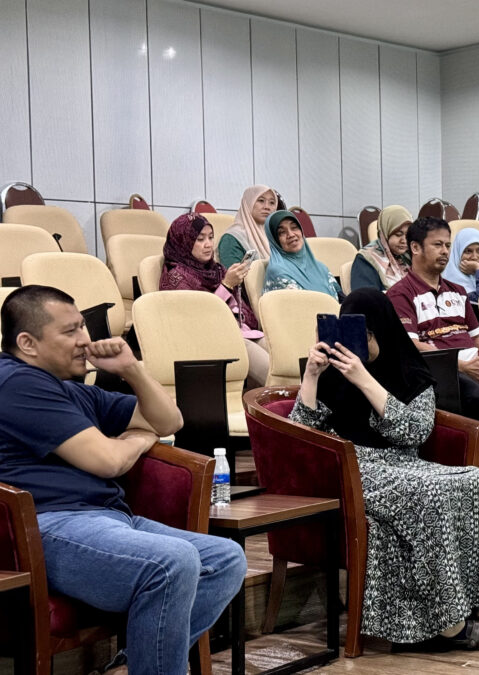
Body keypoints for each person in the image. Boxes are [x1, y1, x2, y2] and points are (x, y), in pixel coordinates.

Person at [0, 285, 246, 675]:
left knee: (225, 559)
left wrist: (132, 369)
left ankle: (135, 664)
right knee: (173, 561)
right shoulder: (16, 384)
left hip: (107, 517)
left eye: (83, 326)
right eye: (70, 331)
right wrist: (138, 440)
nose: (85, 340)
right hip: (47, 526)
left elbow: (170, 421)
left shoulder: (71, 391)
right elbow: (108, 461)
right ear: (28, 343)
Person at [289, 289, 479, 649]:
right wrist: (311, 375)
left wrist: (364, 379)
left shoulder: (410, 371)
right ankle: (450, 625)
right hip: (352, 466)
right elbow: (299, 435)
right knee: (429, 493)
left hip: (404, 462)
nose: (358, 344)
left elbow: (413, 432)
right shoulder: (331, 373)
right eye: (351, 332)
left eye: (365, 335)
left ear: (383, 331)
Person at [387, 217, 479, 421]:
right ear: (415, 247)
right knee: (474, 397)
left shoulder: (458, 291)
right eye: (437, 245)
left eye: (448, 245)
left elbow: (477, 337)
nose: (445, 252)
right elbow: (412, 345)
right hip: (439, 371)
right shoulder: (400, 294)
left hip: (473, 364)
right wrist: (461, 365)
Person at [160, 213, 270, 386]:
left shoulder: (216, 270)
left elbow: (240, 308)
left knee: (280, 354)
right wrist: (227, 285)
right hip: (207, 339)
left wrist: (235, 285)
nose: (208, 244)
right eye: (200, 239)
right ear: (184, 241)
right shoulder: (176, 277)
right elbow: (198, 320)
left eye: (211, 237)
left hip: (237, 331)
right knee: (270, 372)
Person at [263, 210, 343, 299]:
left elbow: (341, 298)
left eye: (294, 227)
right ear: (274, 240)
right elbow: (301, 304)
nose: (291, 234)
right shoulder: (279, 271)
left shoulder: (320, 267)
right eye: (282, 232)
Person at [351, 205, 412, 292]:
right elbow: (365, 297)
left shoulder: (409, 255)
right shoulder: (366, 259)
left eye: (408, 234)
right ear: (385, 233)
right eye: (398, 234)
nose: (404, 240)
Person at [218, 184, 277, 268]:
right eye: (261, 200)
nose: (267, 207)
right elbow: (234, 275)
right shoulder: (232, 238)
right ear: (248, 203)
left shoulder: (275, 237)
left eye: (272, 203)